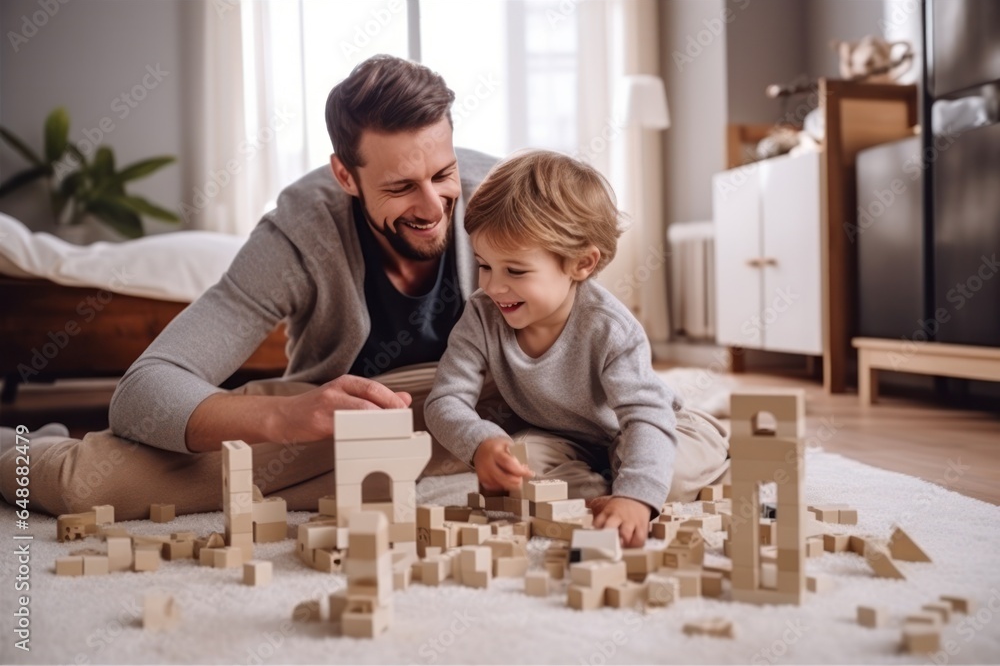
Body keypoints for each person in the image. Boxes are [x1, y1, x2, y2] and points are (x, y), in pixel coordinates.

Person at [0, 55, 510, 520]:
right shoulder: (298, 231)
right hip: (332, 432)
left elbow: (586, 333)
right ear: (346, 176)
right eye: (400, 187)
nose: (431, 206)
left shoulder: (501, 197)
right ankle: (19, 449)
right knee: (88, 489)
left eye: (443, 174)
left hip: (478, 407)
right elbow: (142, 392)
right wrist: (288, 417)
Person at [424, 150, 730, 547]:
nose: (493, 286)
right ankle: (606, 487)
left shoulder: (610, 328)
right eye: (484, 264)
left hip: (649, 426)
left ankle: (711, 457)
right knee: (518, 472)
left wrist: (636, 497)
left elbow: (645, 416)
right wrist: (480, 441)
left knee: (663, 480)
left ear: (581, 264)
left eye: (515, 270)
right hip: (567, 441)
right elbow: (444, 400)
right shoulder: (482, 317)